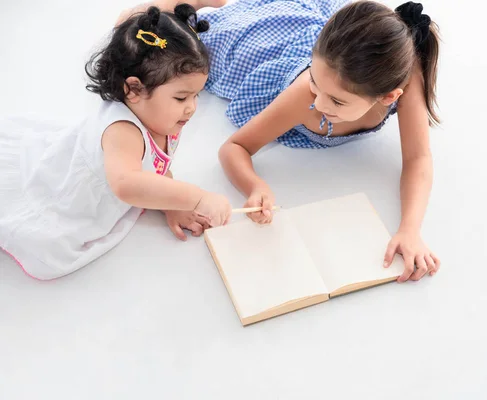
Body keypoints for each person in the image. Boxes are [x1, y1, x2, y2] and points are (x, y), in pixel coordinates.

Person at [120, 0, 442, 282]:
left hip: (333, 52)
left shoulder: (405, 77)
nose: (320, 104)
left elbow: (418, 158)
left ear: (388, 97)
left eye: (338, 102)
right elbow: (235, 147)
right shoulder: (305, 94)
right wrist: (255, 186)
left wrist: (409, 229)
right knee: (159, 38)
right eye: (316, 84)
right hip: (263, 48)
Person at [0, 4, 231, 280]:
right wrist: (196, 197)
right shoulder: (123, 131)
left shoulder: (163, 115)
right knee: (41, 238)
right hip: (68, 192)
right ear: (133, 89)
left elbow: (155, 165)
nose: (192, 108)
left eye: (197, 96)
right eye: (181, 98)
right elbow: (127, 183)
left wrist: (171, 202)